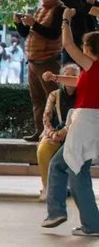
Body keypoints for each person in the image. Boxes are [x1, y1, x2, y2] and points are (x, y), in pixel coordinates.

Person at [41, 10, 99, 236]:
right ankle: (81, 220)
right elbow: (79, 81)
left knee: (72, 170)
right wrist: (57, 78)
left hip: (85, 122)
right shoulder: (91, 70)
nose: (81, 49)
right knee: (68, 167)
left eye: (83, 46)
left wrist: (65, 19)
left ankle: (76, 219)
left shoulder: (92, 64)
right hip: (91, 123)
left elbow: (67, 44)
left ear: (89, 49)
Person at [17, 0, 67, 142]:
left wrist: (34, 24)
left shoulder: (60, 10)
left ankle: (54, 133)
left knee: (52, 98)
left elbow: (53, 34)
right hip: (33, 61)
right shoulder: (40, 9)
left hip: (48, 60)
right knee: (37, 99)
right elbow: (28, 34)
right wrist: (20, 24)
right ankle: (40, 131)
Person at [38, 65, 80, 199]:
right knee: (43, 150)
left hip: (76, 135)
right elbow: (46, 117)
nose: (69, 80)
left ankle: (72, 187)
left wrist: (64, 132)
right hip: (55, 134)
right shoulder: (54, 95)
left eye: (73, 77)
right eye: (66, 76)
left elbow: (80, 118)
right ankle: (48, 187)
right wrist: (52, 133)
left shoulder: (84, 95)